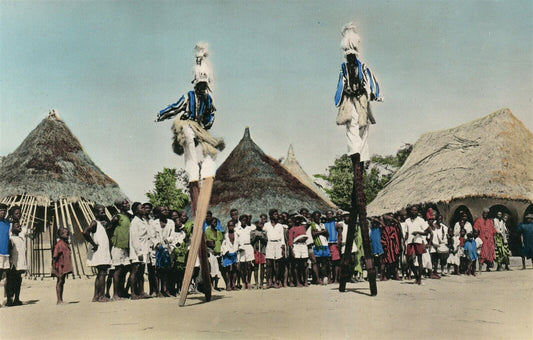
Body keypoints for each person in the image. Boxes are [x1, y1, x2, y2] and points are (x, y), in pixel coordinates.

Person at [156, 42, 224, 199]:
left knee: (210, 148)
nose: (201, 89)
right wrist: (161, 115)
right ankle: (192, 173)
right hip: (187, 124)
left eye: (203, 86)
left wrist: (206, 124)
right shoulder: (189, 96)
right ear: (195, 85)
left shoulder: (208, 99)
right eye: (199, 86)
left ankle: (207, 172)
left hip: (200, 127)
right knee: (188, 137)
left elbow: (212, 113)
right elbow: (175, 107)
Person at [334, 22, 382, 163]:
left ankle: (362, 156)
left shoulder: (362, 67)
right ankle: (355, 152)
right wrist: (339, 99)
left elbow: (371, 81)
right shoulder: (344, 68)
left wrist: (374, 94)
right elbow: (341, 84)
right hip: (349, 100)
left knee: (363, 125)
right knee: (351, 123)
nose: (350, 58)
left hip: (361, 100)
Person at [83, 204, 112, 302]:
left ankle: (96, 296)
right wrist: (93, 244)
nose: (104, 214)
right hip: (100, 251)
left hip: (102, 251)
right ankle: (101, 296)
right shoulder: (94, 223)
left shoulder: (101, 223)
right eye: (101, 212)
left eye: (104, 212)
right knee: (103, 273)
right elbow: (85, 232)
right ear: (95, 213)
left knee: (100, 274)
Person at [108, 198, 132, 300]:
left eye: (127, 202)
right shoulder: (117, 217)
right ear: (120, 206)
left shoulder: (129, 217)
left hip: (125, 247)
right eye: (125, 203)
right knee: (117, 270)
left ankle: (121, 293)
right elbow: (109, 229)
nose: (127, 204)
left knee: (123, 270)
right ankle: (115, 295)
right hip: (118, 246)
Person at [404, 206, 431, 285]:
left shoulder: (421, 220)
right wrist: (404, 241)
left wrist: (418, 232)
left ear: (417, 212)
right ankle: (415, 275)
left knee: (419, 260)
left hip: (418, 241)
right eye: (412, 210)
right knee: (408, 260)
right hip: (409, 241)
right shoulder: (407, 221)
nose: (414, 212)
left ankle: (419, 278)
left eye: (415, 210)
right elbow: (406, 233)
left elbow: (427, 232)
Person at [129, 202, 150, 299]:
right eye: (141, 208)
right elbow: (134, 238)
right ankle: (133, 293)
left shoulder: (144, 221)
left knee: (141, 272)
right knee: (135, 271)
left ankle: (141, 292)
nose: (144, 209)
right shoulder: (135, 222)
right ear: (136, 210)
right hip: (137, 251)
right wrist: (139, 252)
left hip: (144, 250)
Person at [6, 220, 30, 306]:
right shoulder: (11, 239)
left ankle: (17, 299)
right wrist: (10, 263)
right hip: (13, 264)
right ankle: (9, 299)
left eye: (20, 226)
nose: (19, 227)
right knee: (10, 282)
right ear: (12, 229)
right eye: (17, 226)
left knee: (18, 282)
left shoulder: (21, 239)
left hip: (20, 264)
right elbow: (9, 252)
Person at [264, 209, 286, 288]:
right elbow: (264, 235)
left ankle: (276, 281)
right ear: (270, 216)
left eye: (277, 214)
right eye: (275, 214)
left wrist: (283, 247)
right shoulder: (266, 225)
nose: (277, 216)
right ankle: (269, 282)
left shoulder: (280, 226)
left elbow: (282, 237)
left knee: (277, 264)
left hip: (278, 244)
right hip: (270, 244)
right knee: (269, 263)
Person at [52, 227, 72, 304]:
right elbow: (55, 257)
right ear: (60, 235)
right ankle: (59, 300)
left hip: (64, 266)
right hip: (59, 266)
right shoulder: (59, 244)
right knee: (60, 281)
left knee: (62, 281)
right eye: (64, 233)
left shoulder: (65, 243)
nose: (67, 234)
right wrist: (54, 268)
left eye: (67, 233)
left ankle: (61, 299)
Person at [288, 215, 308, 287]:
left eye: (299, 219)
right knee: (296, 265)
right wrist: (292, 251)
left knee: (305, 264)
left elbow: (309, 222)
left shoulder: (303, 227)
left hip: (303, 245)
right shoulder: (292, 229)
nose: (297, 221)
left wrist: (302, 216)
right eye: (296, 219)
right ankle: (297, 282)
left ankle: (305, 281)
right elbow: (290, 241)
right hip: (296, 246)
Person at [309, 211, 330, 285]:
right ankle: (317, 279)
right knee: (316, 262)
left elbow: (327, 233)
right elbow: (314, 234)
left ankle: (323, 277)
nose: (317, 217)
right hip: (317, 245)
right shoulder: (312, 225)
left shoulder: (322, 225)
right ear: (313, 217)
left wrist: (321, 232)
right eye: (316, 216)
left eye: (318, 216)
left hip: (324, 244)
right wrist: (322, 232)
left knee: (324, 261)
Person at [236, 214, 254, 289]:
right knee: (242, 267)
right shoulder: (237, 229)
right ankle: (243, 282)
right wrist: (239, 247)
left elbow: (253, 238)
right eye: (243, 220)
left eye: (245, 220)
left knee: (249, 266)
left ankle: (249, 282)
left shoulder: (250, 229)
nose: (244, 221)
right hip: (241, 248)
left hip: (249, 247)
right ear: (240, 221)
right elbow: (236, 240)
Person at [205, 217, 223, 291]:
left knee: (217, 270)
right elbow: (207, 241)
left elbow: (220, 241)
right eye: (213, 222)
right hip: (211, 252)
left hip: (218, 252)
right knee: (211, 269)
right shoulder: (207, 231)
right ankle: (211, 286)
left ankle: (216, 285)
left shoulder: (218, 232)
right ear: (210, 223)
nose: (214, 223)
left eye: (216, 222)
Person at [221, 220, 239, 291]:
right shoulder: (225, 235)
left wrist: (237, 250)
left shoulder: (237, 234)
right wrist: (226, 251)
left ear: (234, 226)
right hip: (227, 253)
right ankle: (228, 284)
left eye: (232, 225)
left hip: (235, 252)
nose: (231, 227)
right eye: (229, 226)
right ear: (227, 226)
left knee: (235, 269)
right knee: (228, 270)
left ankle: (233, 284)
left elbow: (239, 243)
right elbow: (223, 245)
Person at [250, 219, 268, 289]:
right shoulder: (253, 232)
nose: (260, 225)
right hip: (256, 250)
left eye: (261, 224)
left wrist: (262, 238)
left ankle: (261, 283)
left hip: (262, 251)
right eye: (259, 224)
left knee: (262, 266)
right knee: (256, 267)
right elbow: (251, 241)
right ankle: (256, 282)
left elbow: (266, 241)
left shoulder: (264, 232)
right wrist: (256, 238)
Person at [0, 204, 10, 293]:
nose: (3, 212)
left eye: (4, 210)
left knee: (5, 276)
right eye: (1, 210)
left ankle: (6, 298)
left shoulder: (8, 223)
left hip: (6, 253)